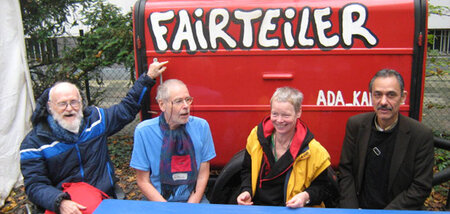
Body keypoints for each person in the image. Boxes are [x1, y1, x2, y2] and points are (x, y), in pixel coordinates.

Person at [19, 61, 168, 214]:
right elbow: (35, 185)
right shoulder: (34, 143)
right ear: (50, 106)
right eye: (62, 104)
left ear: (81, 102)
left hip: (103, 199)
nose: (69, 108)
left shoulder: (96, 120)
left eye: (74, 102)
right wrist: (60, 201)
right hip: (62, 206)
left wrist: (148, 78)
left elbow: (126, 109)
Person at [338, 69, 434, 209]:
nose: (383, 102)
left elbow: (421, 186)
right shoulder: (356, 125)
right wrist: (351, 210)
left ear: (403, 97)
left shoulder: (420, 135)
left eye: (391, 95)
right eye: (378, 94)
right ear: (371, 96)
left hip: (398, 210)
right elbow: (346, 171)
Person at [237, 87, 338, 208]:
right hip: (259, 208)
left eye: (286, 115)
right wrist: (246, 190)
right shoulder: (256, 137)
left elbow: (323, 188)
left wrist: (305, 197)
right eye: (275, 114)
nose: (279, 120)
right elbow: (247, 170)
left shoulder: (315, 151)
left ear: (299, 112)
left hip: (293, 209)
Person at [130, 79, 216, 203]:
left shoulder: (201, 126)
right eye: (178, 101)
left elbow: (203, 173)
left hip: (194, 198)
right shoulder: (144, 132)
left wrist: (191, 206)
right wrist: (168, 209)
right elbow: (143, 181)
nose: (186, 106)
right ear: (162, 105)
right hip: (158, 200)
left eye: (188, 99)